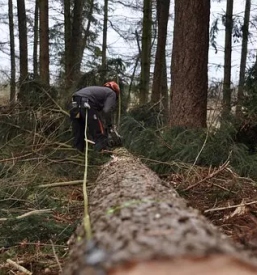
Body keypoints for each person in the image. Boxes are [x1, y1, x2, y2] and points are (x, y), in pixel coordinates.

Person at [70, 81, 121, 152]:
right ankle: (103, 152)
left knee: (78, 132)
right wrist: (109, 125)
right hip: (86, 102)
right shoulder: (112, 93)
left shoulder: (100, 92)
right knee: (99, 132)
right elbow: (106, 111)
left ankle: (77, 152)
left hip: (75, 102)